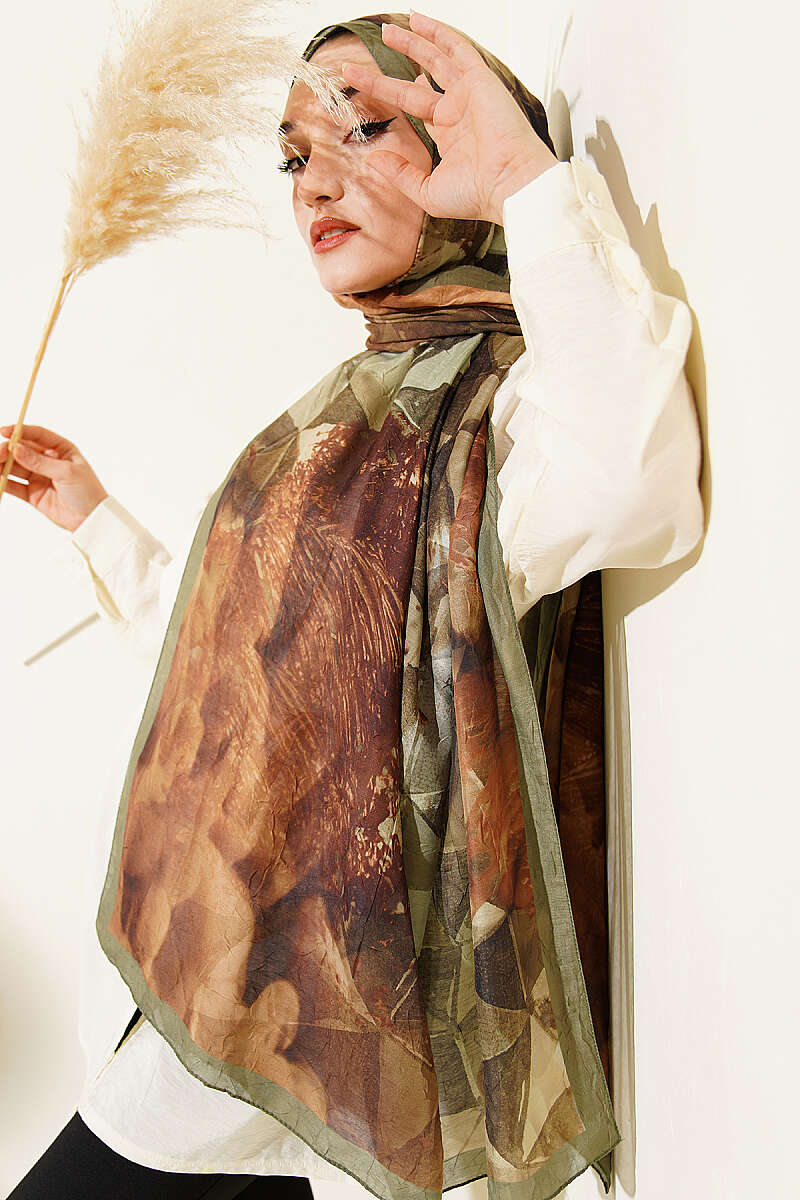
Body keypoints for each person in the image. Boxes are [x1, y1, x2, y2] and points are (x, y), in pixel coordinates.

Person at [2, 11, 705, 1199]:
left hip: (353, 1041)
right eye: (293, 156)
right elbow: (247, 680)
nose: (313, 183)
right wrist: (95, 520)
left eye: (362, 130)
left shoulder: (502, 405)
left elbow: (633, 486)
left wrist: (523, 185)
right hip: (227, 1009)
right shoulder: (344, 417)